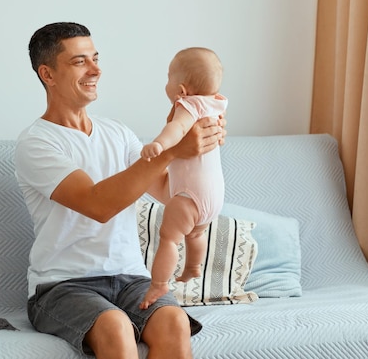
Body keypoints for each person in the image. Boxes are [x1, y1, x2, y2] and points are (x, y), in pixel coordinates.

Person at [14, 22, 226, 359]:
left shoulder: (118, 133)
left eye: (95, 58)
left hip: (131, 279)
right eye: (79, 61)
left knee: (175, 322)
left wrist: (200, 152)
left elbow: (168, 190)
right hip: (62, 286)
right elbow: (97, 204)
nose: (96, 69)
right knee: (115, 326)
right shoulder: (36, 142)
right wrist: (173, 151)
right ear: (48, 74)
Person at [139, 47, 227, 310]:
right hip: (214, 197)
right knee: (196, 233)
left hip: (189, 195)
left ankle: (159, 284)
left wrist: (158, 144)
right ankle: (193, 267)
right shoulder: (217, 103)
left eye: (168, 77)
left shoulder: (187, 105)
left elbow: (176, 128)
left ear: (182, 89)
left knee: (169, 238)